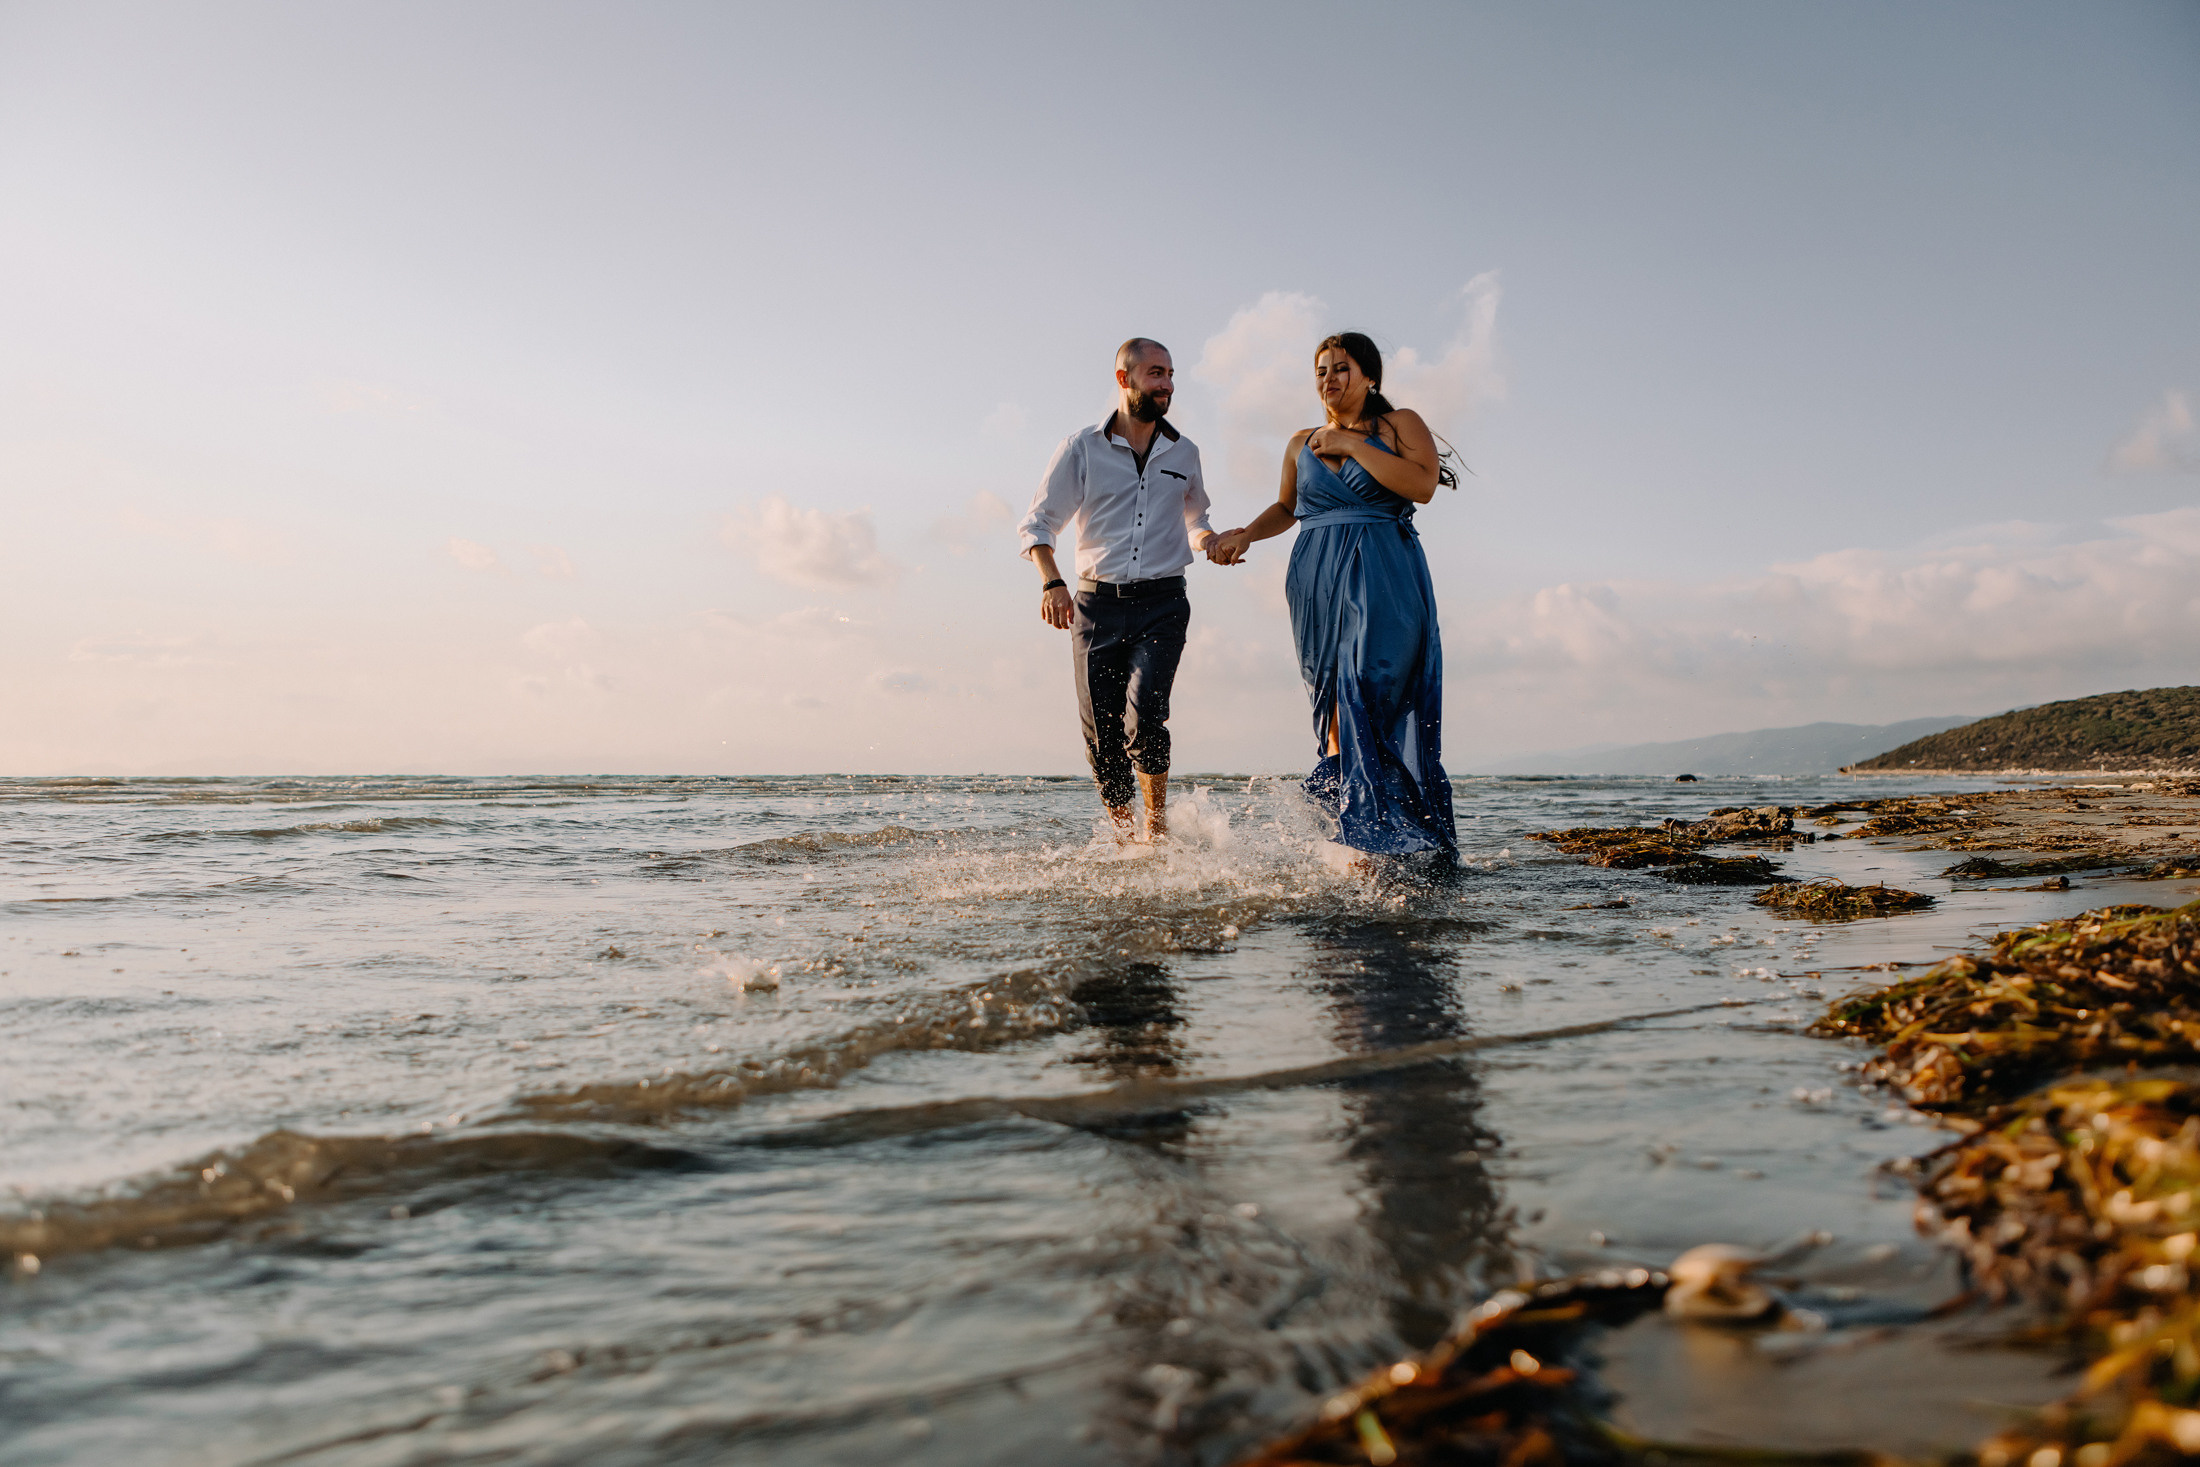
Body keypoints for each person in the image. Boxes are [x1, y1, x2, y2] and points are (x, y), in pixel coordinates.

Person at [1206, 332, 1457, 858]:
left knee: (1367, 689)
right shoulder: (1301, 442)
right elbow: (1286, 507)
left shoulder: (1399, 424)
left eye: (1341, 368)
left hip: (1385, 574)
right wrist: (1245, 534)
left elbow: (1422, 486)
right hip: (1315, 582)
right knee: (1333, 709)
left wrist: (1351, 445)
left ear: (1370, 377)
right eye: (1321, 370)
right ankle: (1359, 835)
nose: (1329, 379)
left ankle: (1377, 833)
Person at [1020, 338, 1216, 841]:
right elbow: (1039, 523)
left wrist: (1211, 540)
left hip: (1164, 602)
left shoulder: (1185, 451)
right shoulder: (1080, 447)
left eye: (1171, 374)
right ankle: (1127, 841)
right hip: (1094, 605)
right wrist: (1053, 582)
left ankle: (1156, 833)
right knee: (1102, 737)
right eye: (1155, 373)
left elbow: (1197, 519)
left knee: (1147, 715)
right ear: (1124, 379)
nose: (1167, 383)